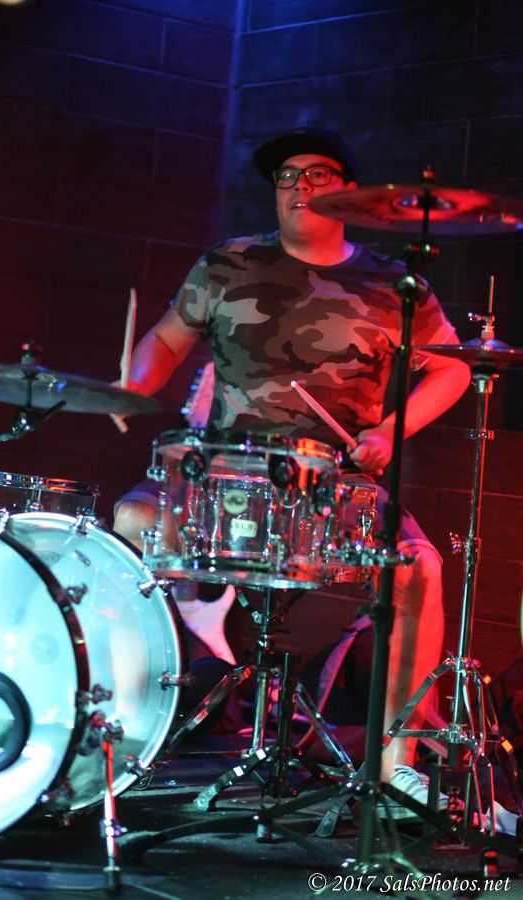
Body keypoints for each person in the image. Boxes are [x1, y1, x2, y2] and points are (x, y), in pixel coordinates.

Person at [113, 128, 471, 817]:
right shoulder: (229, 263)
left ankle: (396, 764)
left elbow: (453, 369)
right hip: (225, 473)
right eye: (286, 176)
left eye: (317, 174)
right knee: (133, 519)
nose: (299, 186)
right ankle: (123, 729)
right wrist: (130, 385)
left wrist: (389, 433)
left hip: (335, 483)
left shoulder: (395, 285)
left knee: (419, 567)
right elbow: (164, 341)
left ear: (349, 192)